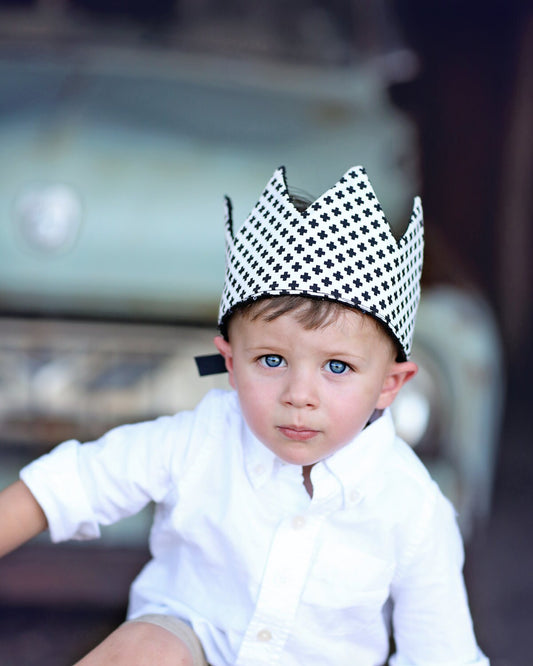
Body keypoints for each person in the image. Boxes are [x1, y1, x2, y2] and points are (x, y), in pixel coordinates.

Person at [0, 165, 489, 665]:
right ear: (231, 363)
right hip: (192, 647)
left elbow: (441, 654)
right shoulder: (201, 439)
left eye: (337, 367)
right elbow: (71, 484)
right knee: (147, 648)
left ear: (390, 384)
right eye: (271, 361)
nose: (300, 395)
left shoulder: (413, 509)